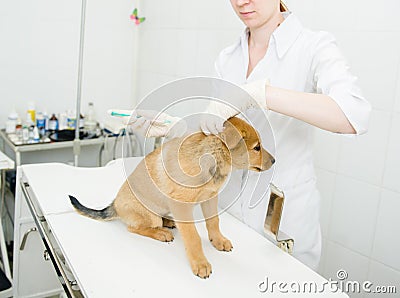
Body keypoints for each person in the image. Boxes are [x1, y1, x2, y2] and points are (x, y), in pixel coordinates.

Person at [117, 0, 371, 271]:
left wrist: (260, 94)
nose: (241, 2)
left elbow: (354, 115)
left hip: (283, 218)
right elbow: (221, 133)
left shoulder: (314, 47)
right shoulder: (228, 58)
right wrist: (178, 129)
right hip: (230, 211)